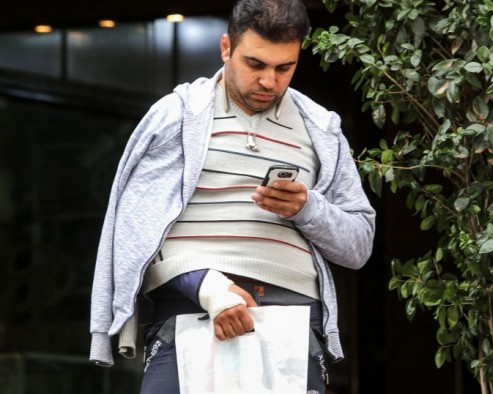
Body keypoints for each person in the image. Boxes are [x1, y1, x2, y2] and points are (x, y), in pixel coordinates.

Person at [88, 0, 376, 392]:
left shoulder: (321, 128)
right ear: (226, 48)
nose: (269, 81)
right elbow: (133, 234)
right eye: (255, 64)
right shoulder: (176, 115)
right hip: (190, 307)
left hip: (294, 318)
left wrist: (308, 208)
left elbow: (358, 246)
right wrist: (206, 287)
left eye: (284, 67)